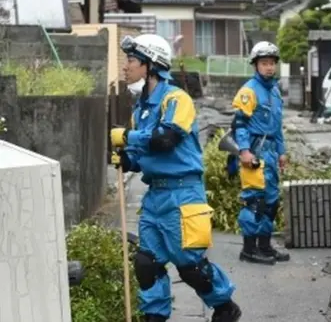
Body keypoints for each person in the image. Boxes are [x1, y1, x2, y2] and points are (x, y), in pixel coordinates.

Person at [109, 34, 241, 322]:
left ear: (150, 65)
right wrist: (125, 158)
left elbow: (165, 140)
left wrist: (129, 136)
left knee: (189, 265)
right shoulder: (139, 110)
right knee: (146, 263)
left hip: (184, 195)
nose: (125, 67)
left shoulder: (176, 99)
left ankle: (225, 306)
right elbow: (141, 157)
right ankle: (154, 316)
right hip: (155, 196)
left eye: (131, 61)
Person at [227, 41, 289, 265]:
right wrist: (243, 151)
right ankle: (249, 249)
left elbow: (277, 125)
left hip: (271, 151)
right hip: (254, 151)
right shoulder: (249, 91)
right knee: (254, 201)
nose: (269, 67)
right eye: (264, 63)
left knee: (271, 202)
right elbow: (240, 124)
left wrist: (282, 152)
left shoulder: (274, 90)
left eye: (272, 63)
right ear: (256, 65)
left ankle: (264, 246)